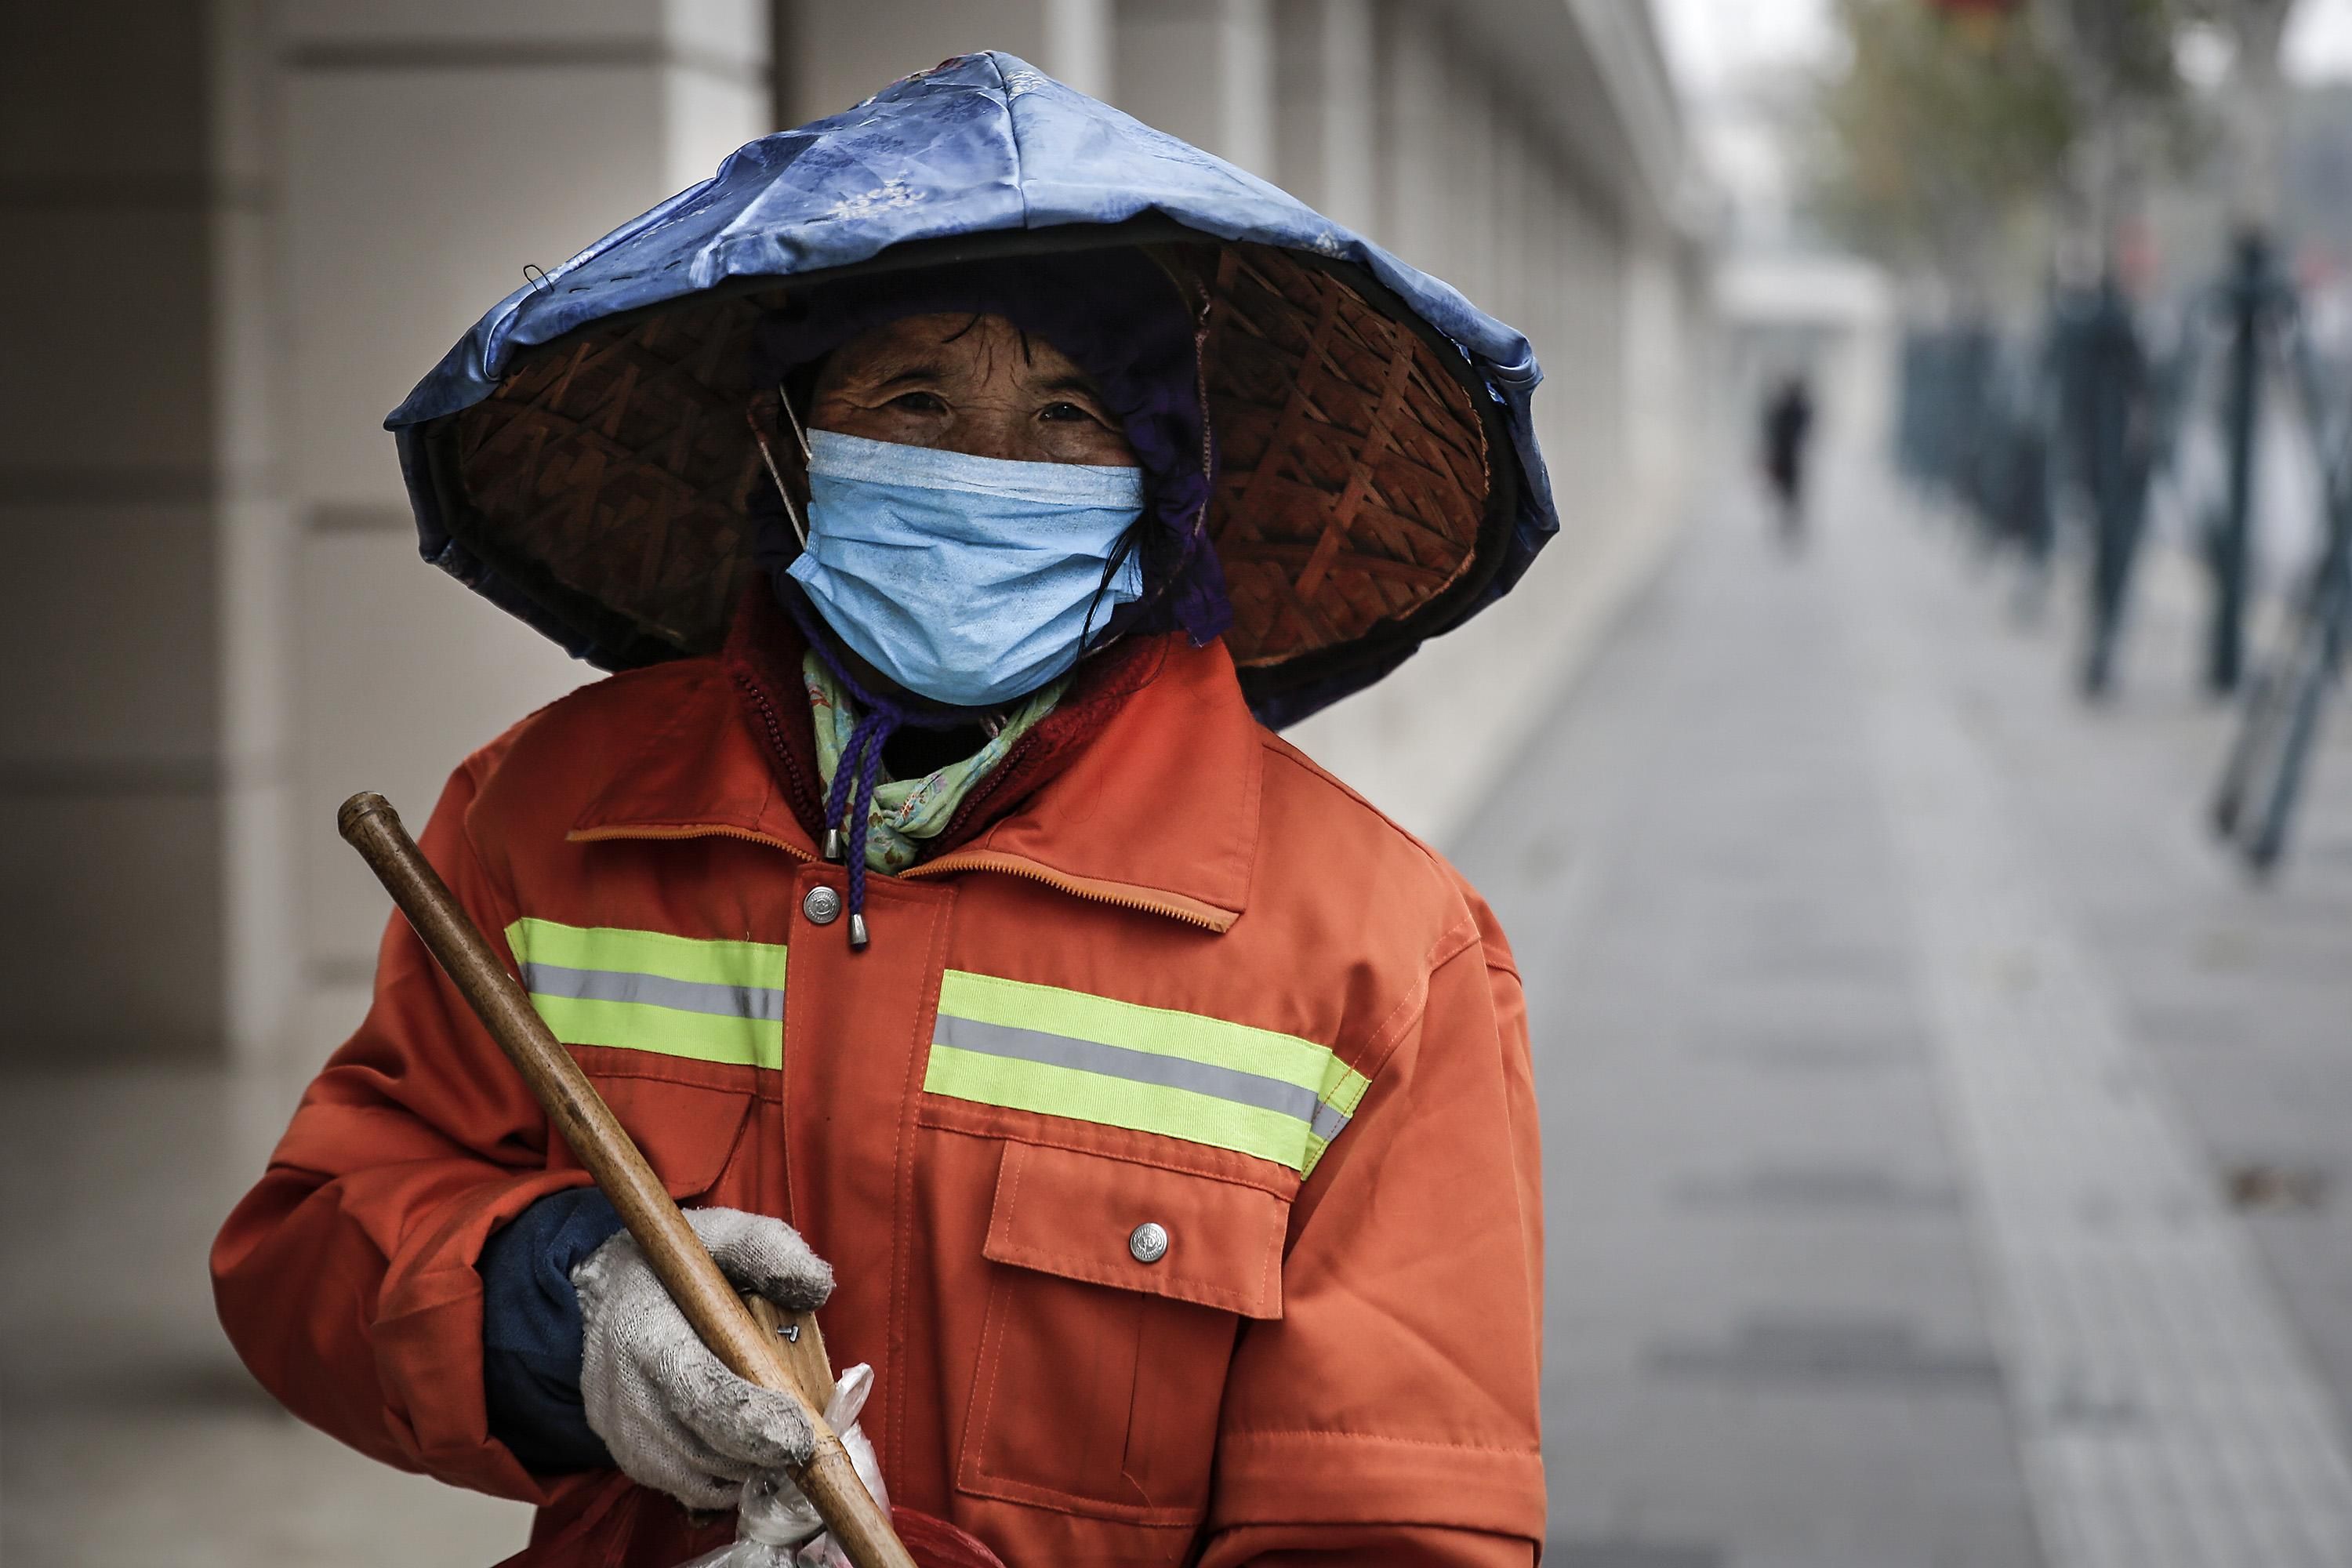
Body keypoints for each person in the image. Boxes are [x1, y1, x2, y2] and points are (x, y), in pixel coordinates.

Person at [213, 53, 1550, 1568]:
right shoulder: (544, 816)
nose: (988, 468)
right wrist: (566, 1309)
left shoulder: (1382, 952)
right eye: (913, 397)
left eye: (1068, 415)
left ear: (1160, 486)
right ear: (792, 451)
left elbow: (1395, 1531)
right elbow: (306, 1252)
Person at [1762, 372, 1816, 539]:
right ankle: (1788, 521)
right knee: (1788, 491)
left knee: (1790, 491)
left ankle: (1790, 522)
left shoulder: (1791, 409)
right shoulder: (1789, 409)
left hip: (1790, 455)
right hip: (1786, 455)